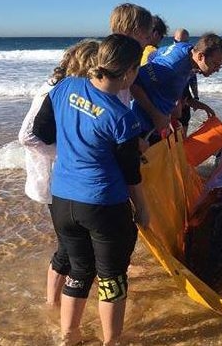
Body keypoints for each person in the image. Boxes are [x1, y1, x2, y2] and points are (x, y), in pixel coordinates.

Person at [32, 34, 148, 346]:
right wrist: (144, 210)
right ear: (127, 73)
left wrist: (77, 142)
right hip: (103, 205)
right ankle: (111, 342)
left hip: (63, 200)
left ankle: (69, 336)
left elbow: (41, 131)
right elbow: (130, 174)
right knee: (112, 278)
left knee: (79, 271)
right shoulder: (123, 118)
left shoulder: (65, 86)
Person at [18, 39, 99, 308]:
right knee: (68, 249)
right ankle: (52, 306)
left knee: (76, 246)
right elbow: (27, 136)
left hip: (70, 180)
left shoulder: (75, 90)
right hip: (56, 180)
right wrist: (67, 154)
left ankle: (57, 304)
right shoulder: (54, 90)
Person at [130, 32, 222, 144]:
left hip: (160, 127)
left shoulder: (186, 50)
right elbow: (134, 82)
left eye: (220, 66)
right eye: (215, 64)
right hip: (142, 128)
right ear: (201, 56)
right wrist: (156, 115)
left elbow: (153, 55)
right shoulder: (171, 67)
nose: (217, 70)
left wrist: (196, 104)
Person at [109, 2, 153, 108]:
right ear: (136, 33)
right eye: (146, 37)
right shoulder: (121, 62)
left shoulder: (107, 53)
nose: (147, 43)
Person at [173, 28, 200, 136]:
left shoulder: (190, 57)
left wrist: (196, 97)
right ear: (174, 41)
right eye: (178, 42)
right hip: (171, 100)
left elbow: (193, 80)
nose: (181, 46)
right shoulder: (169, 56)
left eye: (184, 42)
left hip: (185, 96)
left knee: (183, 128)